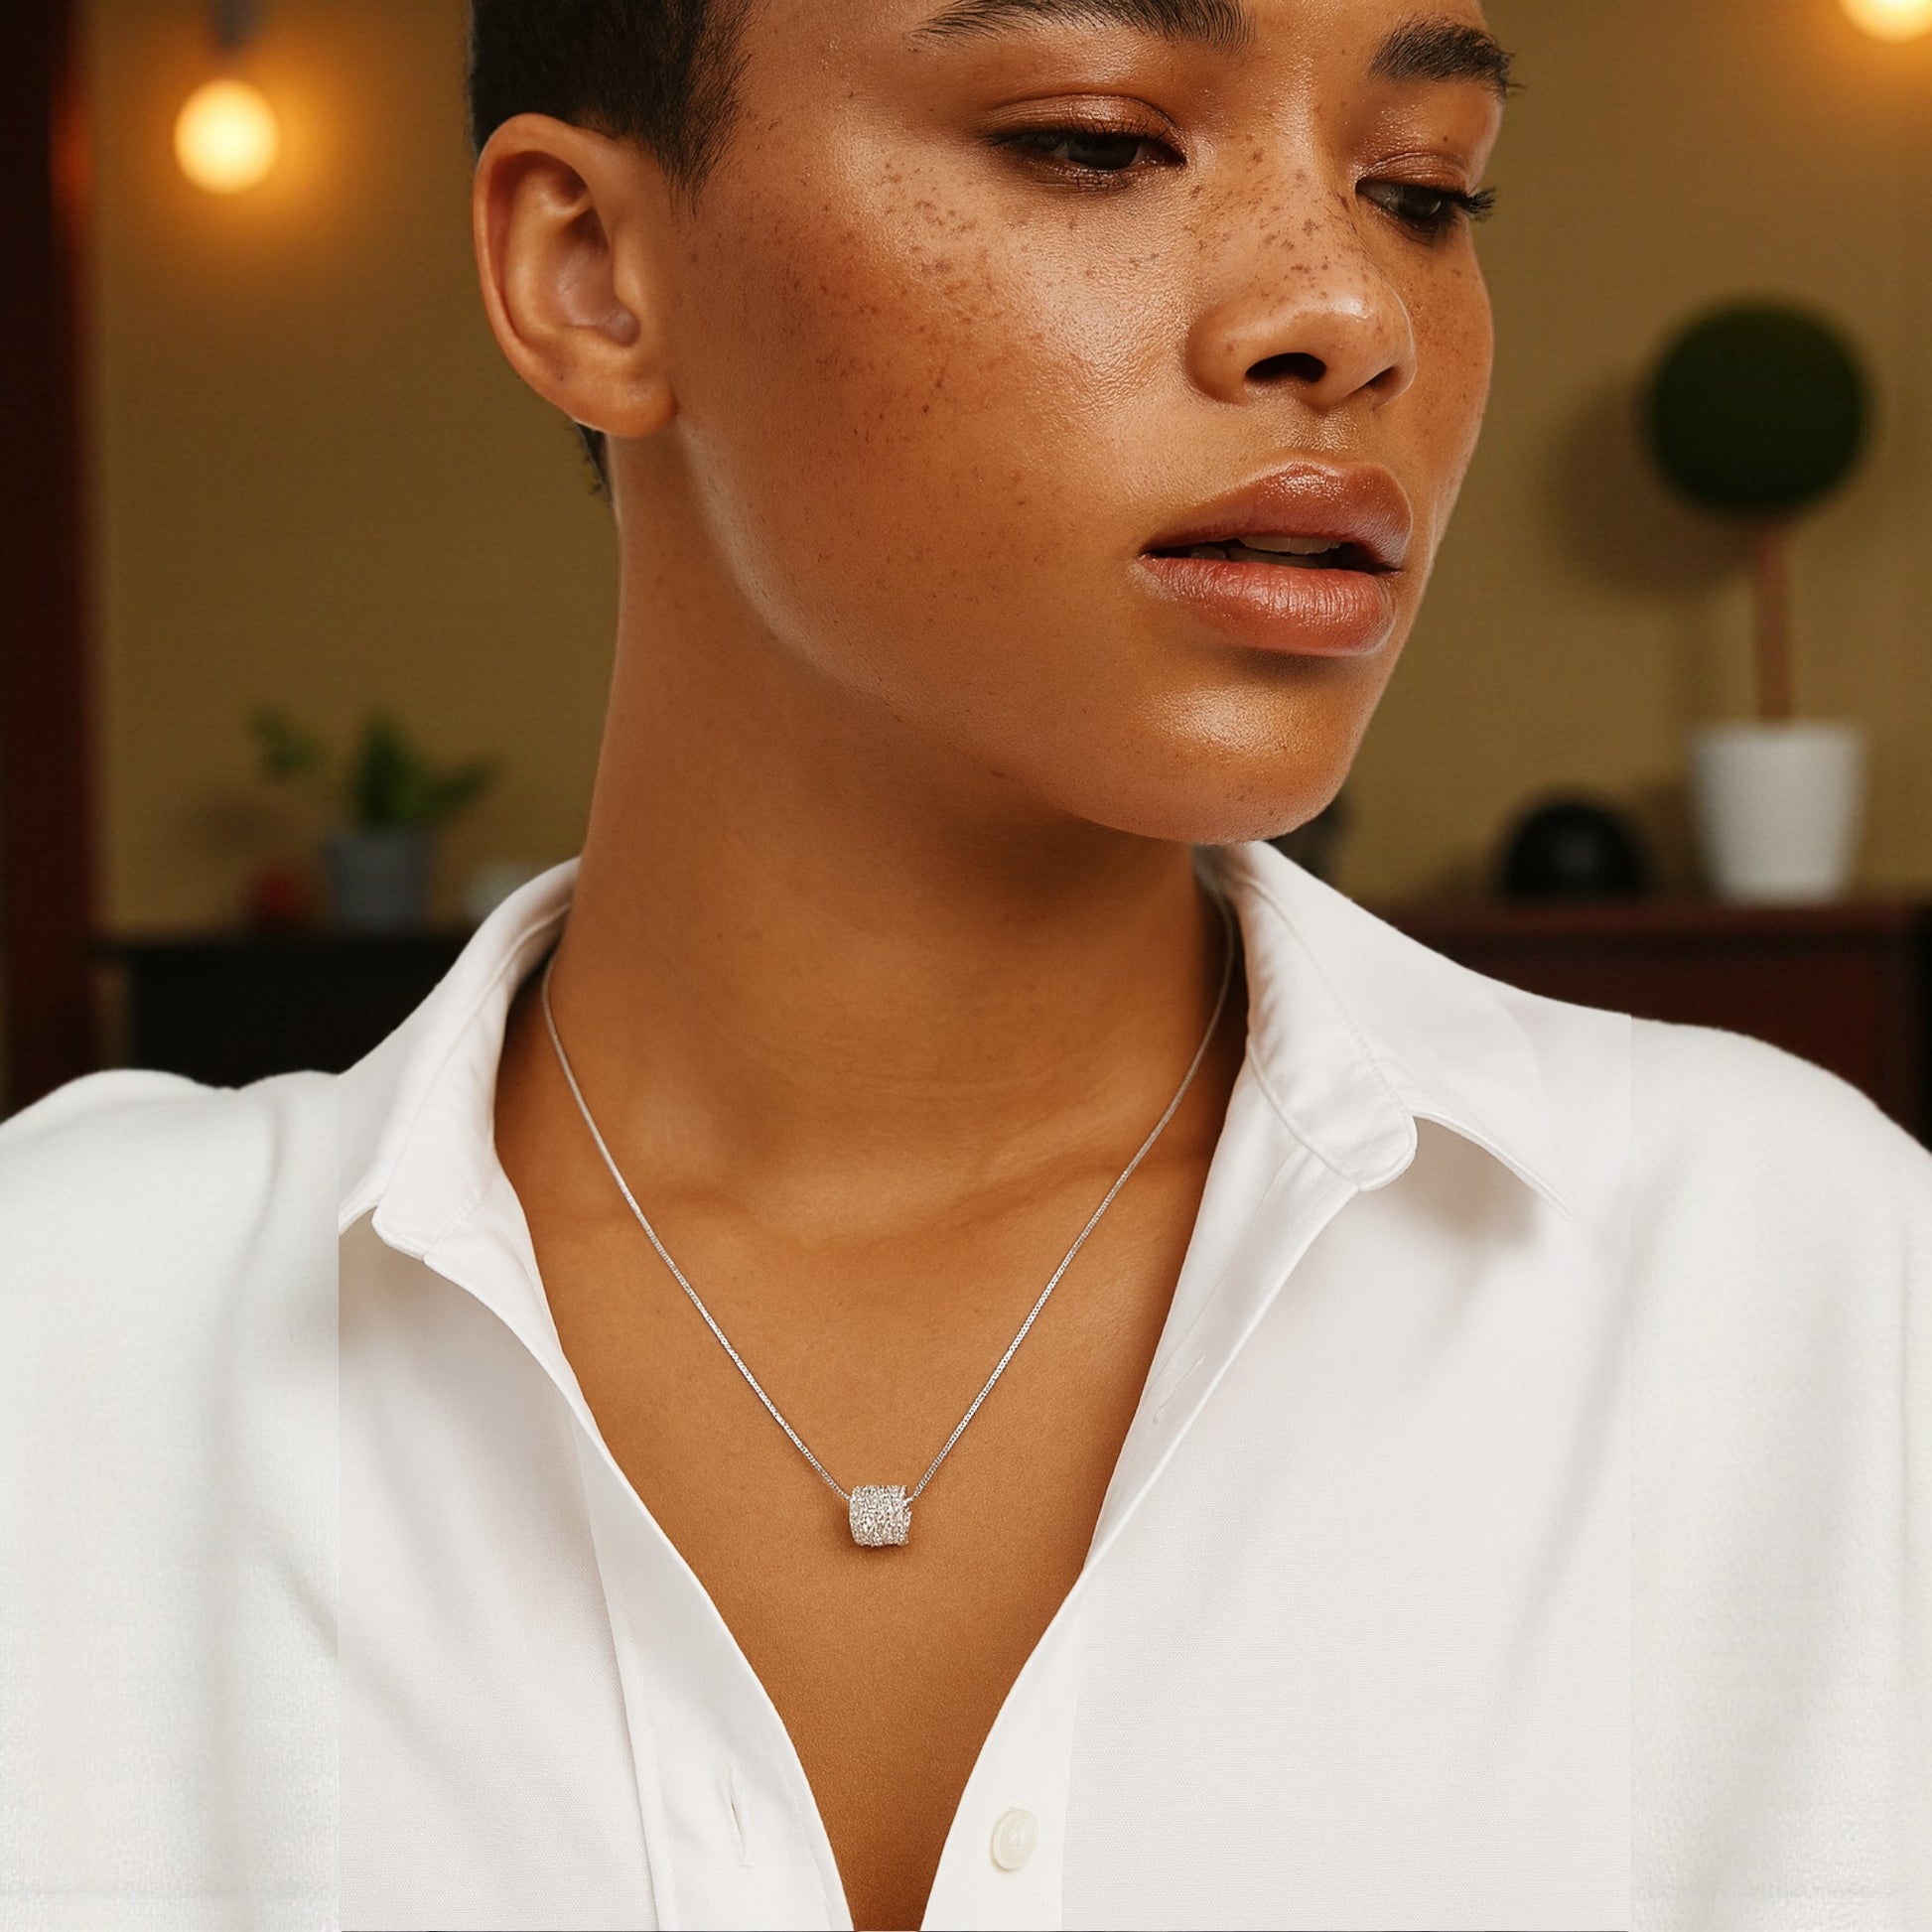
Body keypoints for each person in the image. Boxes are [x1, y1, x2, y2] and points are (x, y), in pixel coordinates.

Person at [3, 1, 1927, 1927]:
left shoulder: (1789, 1291)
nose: (1352, 312)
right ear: (591, 272)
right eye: (1096, 141)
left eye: (1421, 188)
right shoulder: (69, 1340)